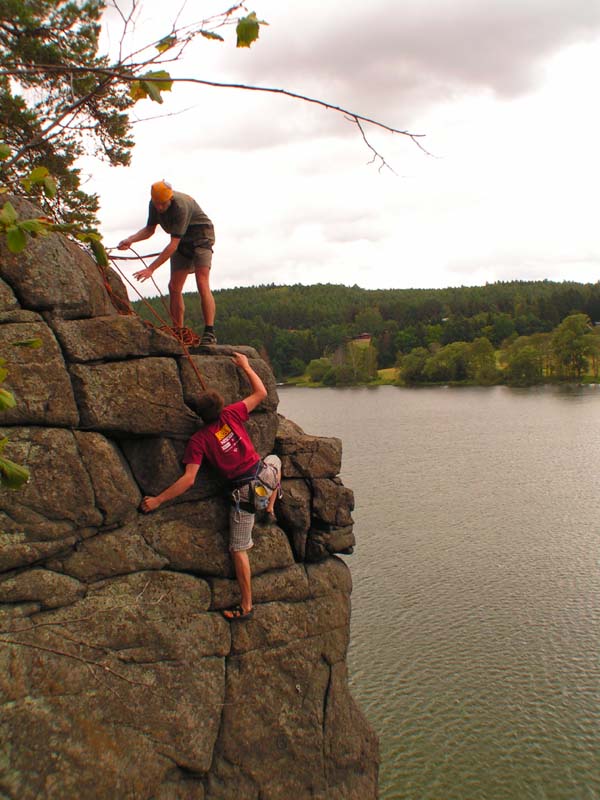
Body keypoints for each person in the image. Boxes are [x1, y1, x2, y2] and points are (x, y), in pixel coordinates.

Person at [140, 352, 281, 621]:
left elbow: (189, 479)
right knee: (276, 460)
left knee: (239, 549)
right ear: (220, 407)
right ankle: (272, 506)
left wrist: (157, 500)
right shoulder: (231, 413)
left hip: (244, 494)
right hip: (265, 476)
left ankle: (247, 606)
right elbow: (261, 392)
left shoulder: (199, 440)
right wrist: (246, 366)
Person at [117, 180, 217, 345]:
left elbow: (173, 245)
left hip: (201, 236)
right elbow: (149, 230)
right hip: (182, 242)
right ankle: (178, 331)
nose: (160, 208)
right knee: (174, 287)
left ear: (170, 199)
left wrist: (151, 268)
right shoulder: (154, 203)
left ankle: (209, 332)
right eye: (157, 204)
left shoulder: (180, 206)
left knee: (202, 281)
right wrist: (130, 240)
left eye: (163, 204)